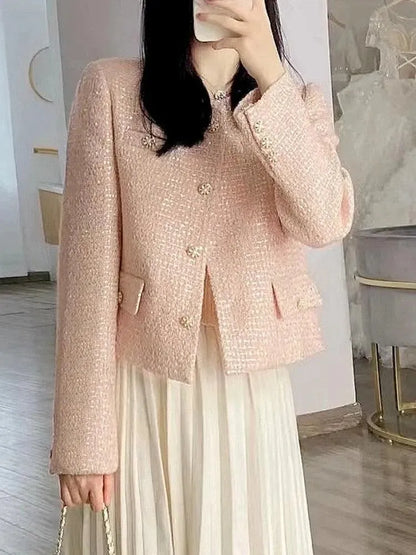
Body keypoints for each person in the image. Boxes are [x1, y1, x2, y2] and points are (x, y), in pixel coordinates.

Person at [49, 0, 354, 552]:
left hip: (250, 393)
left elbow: (324, 221)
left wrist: (270, 75)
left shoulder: (294, 103)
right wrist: (82, 440)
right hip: (142, 386)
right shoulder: (111, 91)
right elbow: (85, 282)